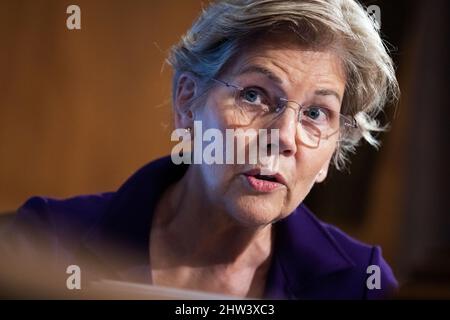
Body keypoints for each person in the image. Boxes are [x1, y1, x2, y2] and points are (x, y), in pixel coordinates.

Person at [0, 0, 399, 299]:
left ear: (334, 148)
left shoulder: (360, 283)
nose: (284, 136)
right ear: (187, 102)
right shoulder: (47, 241)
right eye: (255, 95)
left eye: (316, 112)